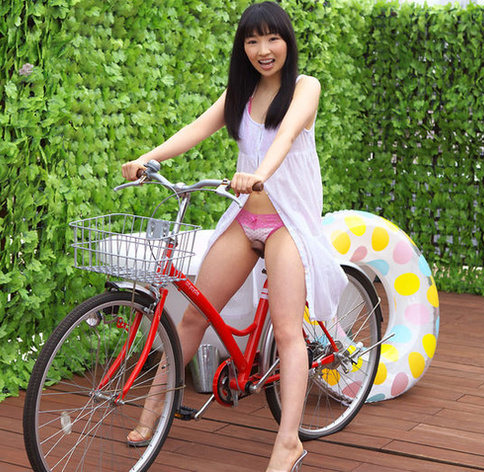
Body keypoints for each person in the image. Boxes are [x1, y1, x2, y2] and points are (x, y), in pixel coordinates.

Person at [120, 2, 346, 471]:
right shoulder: (239, 94)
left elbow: (285, 137)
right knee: (193, 317)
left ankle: (289, 442)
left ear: (287, 41)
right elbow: (196, 129)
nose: (263, 50)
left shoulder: (306, 87)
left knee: (288, 331)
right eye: (252, 40)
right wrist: (147, 158)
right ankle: (151, 413)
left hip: (288, 224)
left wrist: (258, 174)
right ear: (243, 47)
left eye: (272, 38)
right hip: (245, 221)